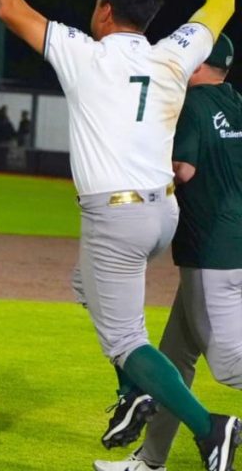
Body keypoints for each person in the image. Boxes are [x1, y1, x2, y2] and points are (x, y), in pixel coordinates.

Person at [0, 0, 239, 468]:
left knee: (125, 341)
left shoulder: (84, 53)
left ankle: (211, 428)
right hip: (163, 214)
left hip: (118, 218)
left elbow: (7, 6)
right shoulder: (173, 52)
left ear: (106, 10)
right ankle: (137, 391)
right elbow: (222, 1)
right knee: (84, 283)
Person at [94, 35, 242, 471]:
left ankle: (213, 434)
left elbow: (184, 169)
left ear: (197, 64)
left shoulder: (193, 105)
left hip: (212, 249)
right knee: (176, 357)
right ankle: (151, 460)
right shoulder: (234, 102)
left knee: (230, 365)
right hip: (231, 241)